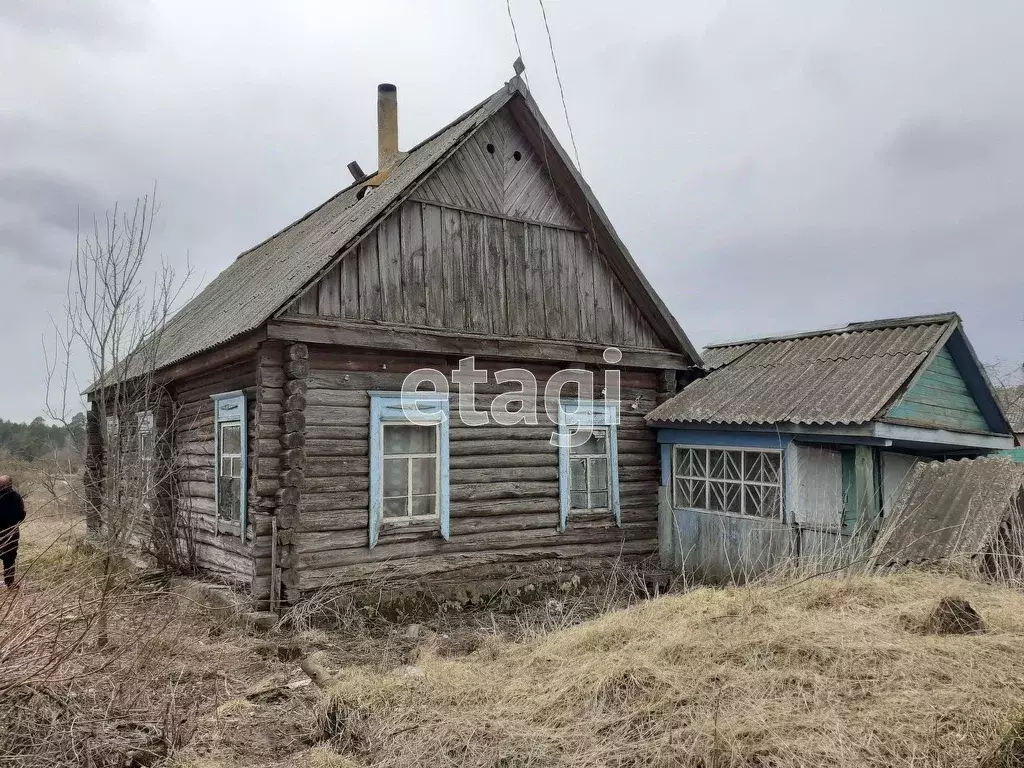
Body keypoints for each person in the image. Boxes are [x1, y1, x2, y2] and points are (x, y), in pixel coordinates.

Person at [0, 476, 25, 589]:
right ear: (10, 484)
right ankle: (10, 583)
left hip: (9, 531)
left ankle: (10, 583)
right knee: (9, 558)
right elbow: (21, 514)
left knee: (10, 557)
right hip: (11, 532)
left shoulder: (16, 496)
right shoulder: (16, 497)